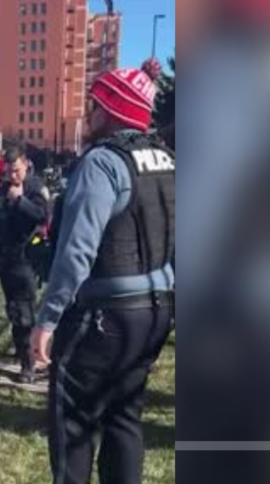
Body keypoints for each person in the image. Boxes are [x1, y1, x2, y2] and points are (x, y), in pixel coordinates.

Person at [30, 59, 174, 484]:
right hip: (156, 309)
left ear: (112, 110)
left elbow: (76, 251)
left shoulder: (102, 162)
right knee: (124, 418)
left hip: (105, 313)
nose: (88, 116)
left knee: (73, 425)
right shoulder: (168, 161)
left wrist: (48, 319)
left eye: (94, 106)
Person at [0, 147, 49, 383]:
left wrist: (20, 200)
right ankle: (23, 352)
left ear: (26, 164)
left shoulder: (35, 186)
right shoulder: (3, 187)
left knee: (24, 313)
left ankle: (29, 365)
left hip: (25, 258)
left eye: (16, 170)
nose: (12, 175)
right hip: (6, 258)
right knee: (14, 311)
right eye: (8, 171)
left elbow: (42, 215)